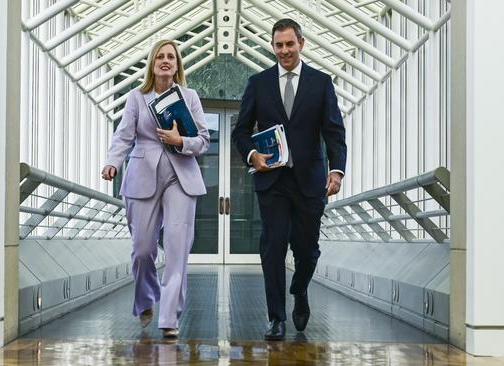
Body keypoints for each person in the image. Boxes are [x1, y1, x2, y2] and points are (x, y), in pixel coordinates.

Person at [232, 18, 347, 340]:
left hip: (311, 181)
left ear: (301, 43)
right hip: (273, 181)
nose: (284, 51)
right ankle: (276, 318)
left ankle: (300, 289)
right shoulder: (258, 83)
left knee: (308, 250)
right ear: (273, 46)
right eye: (279, 45)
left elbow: (334, 131)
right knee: (273, 246)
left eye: (289, 44)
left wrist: (337, 170)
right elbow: (240, 131)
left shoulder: (321, 82)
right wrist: (252, 155)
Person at [101, 39, 210, 338]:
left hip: (181, 175)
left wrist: (180, 142)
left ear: (177, 65)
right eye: (159, 56)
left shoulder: (189, 96)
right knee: (143, 249)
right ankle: (146, 298)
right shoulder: (137, 97)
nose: (165, 61)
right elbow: (123, 135)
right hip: (142, 174)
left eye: (170, 57)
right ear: (152, 63)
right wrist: (113, 162)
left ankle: (169, 318)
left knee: (177, 249)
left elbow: (203, 139)